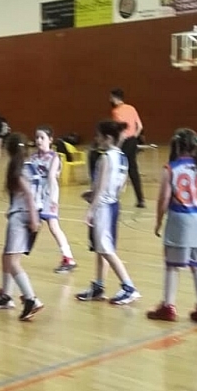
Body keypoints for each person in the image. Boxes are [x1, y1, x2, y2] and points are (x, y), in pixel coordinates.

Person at [147, 128, 197, 324]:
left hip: (180, 220)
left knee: (172, 267)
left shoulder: (171, 168)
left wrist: (159, 221)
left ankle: (168, 306)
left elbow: (163, 199)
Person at [76, 120, 141, 305]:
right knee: (101, 247)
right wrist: (95, 194)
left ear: (108, 138)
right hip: (113, 204)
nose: (96, 139)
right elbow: (121, 186)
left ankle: (129, 287)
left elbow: (101, 186)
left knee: (106, 249)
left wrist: (91, 208)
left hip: (103, 207)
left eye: (99, 136)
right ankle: (99, 286)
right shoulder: (122, 157)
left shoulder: (105, 158)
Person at [0, 133, 44, 320]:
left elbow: (28, 194)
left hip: (24, 215)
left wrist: (32, 219)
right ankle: (6, 296)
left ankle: (31, 299)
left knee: (13, 262)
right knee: (6, 256)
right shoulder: (32, 166)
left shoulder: (18, 169)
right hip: (32, 212)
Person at [28, 125, 77, 273]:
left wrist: (52, 199)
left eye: (42, 137)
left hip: (49, 195)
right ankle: (22, 249)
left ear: (50, 140)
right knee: (32, 223)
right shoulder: (33, 158)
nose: (38, 140)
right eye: (37, 137)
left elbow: (51, 178)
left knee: (53, 226)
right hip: (36, 195)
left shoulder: (54, 157)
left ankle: (68, 257)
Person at [110, 88, 146, 208]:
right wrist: (134, 138)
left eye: (110, 97)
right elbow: (139, 126)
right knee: (133, 170)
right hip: (133, 141)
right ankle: (140, 199)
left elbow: (121, 132)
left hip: (123, 142)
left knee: (117, 169)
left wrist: (117, 146)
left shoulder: (116, 112)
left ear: (114, 98)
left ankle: (113, 197)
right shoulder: (131, 108)